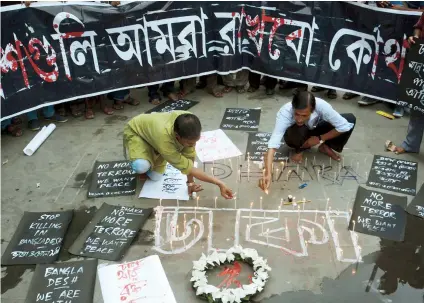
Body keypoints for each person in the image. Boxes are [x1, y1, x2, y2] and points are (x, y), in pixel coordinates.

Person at [123, 111, 234, 199]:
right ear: (177, 136)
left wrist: (190, 183)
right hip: (137, 132)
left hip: (156, 136)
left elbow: (189, 158)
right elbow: (190, 169)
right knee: (141, 166)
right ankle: (142, 156)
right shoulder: (165, 141)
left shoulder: (188, 121)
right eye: (190, 143)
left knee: (155, 177)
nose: (193, 145)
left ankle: (154, 153)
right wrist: (219, 183)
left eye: (196, 141)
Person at [259, 91, 356, 192]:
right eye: (297, 114)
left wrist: (320, 138)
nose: (300, 119)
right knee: (298, 128)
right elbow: (273, 143)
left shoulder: (322, 106)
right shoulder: (285, 112)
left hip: (315, 129)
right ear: (293, 108)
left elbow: (344, 126)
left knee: (350, 119)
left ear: (312, 110)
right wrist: (268, 173)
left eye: (304, 115)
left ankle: (325, 146)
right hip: (296, 132)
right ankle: (300, 149)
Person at [387, 12, 424, 154]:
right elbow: (419, 26)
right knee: (418, 105)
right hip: (421, 59)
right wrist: (415, 37)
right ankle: (410, 145)